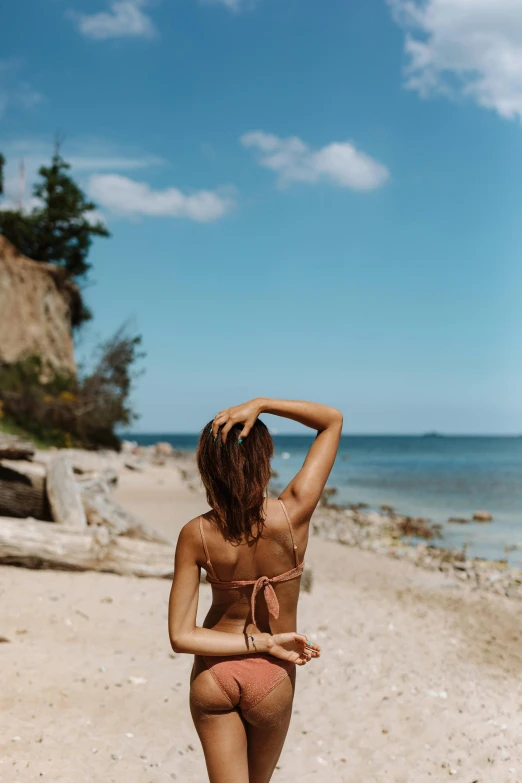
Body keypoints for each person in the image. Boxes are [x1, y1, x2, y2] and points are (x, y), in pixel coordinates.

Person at [168, 397, 343, 783]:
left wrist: (258, 643)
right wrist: (262, 404)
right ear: (264, 461)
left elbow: (181, 637)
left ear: (207, 468)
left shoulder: (195, 534)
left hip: (215, 673)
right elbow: (331, 421)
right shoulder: (293, 513)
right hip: (273, 675)